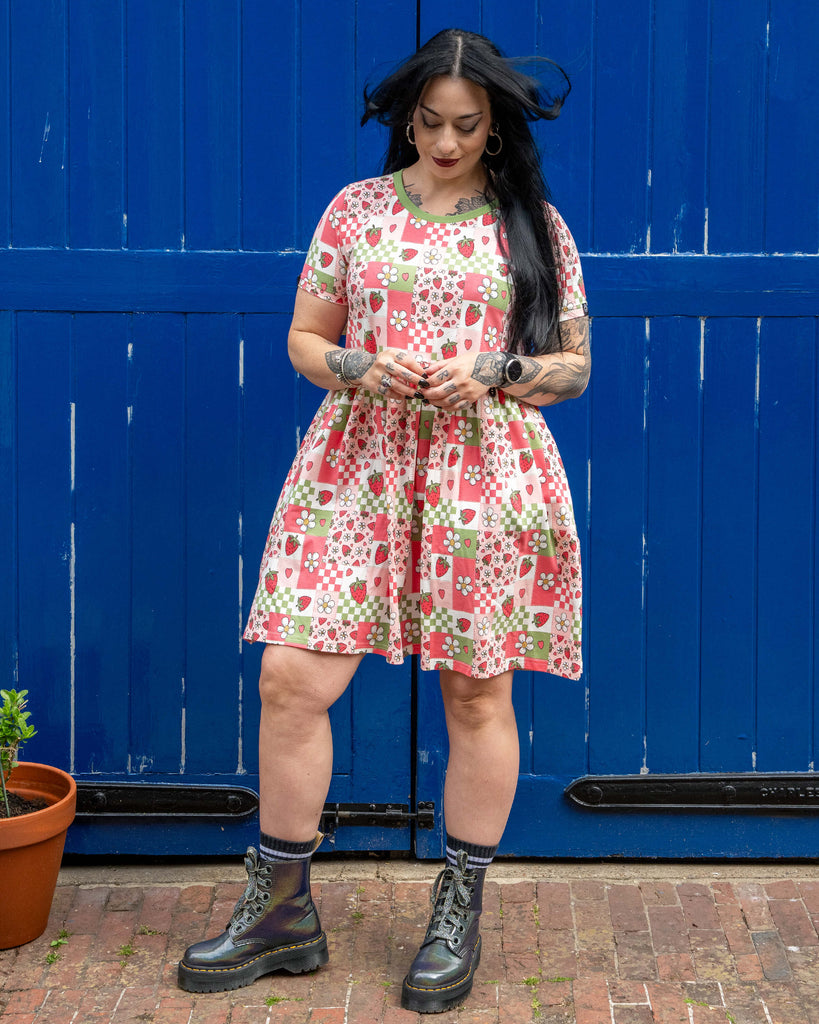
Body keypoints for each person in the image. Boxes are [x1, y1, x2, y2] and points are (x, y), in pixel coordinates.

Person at [177, 27, 589, 1014]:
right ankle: (282, 908)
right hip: (355, 466)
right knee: (290, 677)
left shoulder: (531, 224)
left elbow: (574, 368)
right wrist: (364, 365)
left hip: (485, 472)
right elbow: (305, 341)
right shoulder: (355, 213)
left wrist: (494, 370)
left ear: (496, 129)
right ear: (408, 116)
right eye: (430, 122)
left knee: (476, 696)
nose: (445, 142)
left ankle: (459, 910)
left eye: (467, 126)